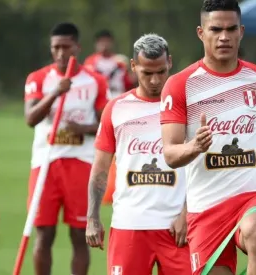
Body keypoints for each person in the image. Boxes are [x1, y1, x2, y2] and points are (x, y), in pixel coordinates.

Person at [159, 1, 256, 275]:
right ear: (201, 33)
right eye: (216, 29)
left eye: (231, 29)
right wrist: (195, 146)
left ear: (241, 31)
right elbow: (170, 155)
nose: (224, 36)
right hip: (206, 206)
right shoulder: (180, 85)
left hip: (252, 194)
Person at [86, 34, 191, 275]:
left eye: (161, 72)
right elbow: (100, 169)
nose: (155, 80)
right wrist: (92, 217)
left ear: (170, 63)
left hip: (177, 228)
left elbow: (199, 167)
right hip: (129, 226)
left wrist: (186, 213)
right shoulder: (116, 109)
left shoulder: (186, 107)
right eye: (146, 73)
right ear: (133, 67)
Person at [24, 22, 109, 275]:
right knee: (44, 234)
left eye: (66, 47)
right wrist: (55, 94)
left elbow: (107, 124)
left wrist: (82, 129)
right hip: (45, 164)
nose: (61, 53)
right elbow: (30, 118)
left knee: (80, 235)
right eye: (56, 48)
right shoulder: (38, 78)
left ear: (77, 47)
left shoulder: (95, 81)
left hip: (81, 163)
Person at [84, 30, 134, 99]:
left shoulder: (120, 61)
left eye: (107, 41)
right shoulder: (91, 61)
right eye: (101, 42)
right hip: (98, 98)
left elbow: (128, 83)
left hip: (118, 97)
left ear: (112, 43)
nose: (105, 44)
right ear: (96, 44)